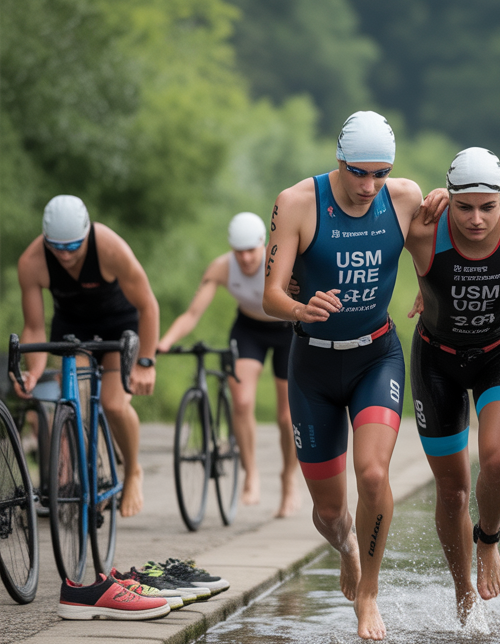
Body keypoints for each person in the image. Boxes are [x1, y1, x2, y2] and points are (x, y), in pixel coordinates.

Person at [262, 111, 422, 640]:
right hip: (313, 367)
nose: (369, 186)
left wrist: (432, 285)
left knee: (374, 475)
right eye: (359, 173)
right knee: (328, 513)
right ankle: (348, 544)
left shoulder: (404, 198)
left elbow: (449, 239)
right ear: (339, 161)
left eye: (380, 174)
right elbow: (270, 295)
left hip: (376, 358)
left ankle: (369, 596)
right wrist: (300, 308)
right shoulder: (298, 203)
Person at [406, 147, 500, 621]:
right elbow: (358, 243)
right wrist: (294, 281)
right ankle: (462, 593)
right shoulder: (423, 230)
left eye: (487, 207)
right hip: (437, 361)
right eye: (464, 207)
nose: (476, 220)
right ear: (448, 200)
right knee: (452, 492)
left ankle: (488, 539)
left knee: (496, 457)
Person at [14, 195, 159, 518]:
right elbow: (34, 327)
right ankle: (89, 476)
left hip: (117, 328)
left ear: (86, 234)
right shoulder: (32, 262)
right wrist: (33, 373)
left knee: (113, 403)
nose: (64, 255)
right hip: (72, 330)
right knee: (72, 398)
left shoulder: (109, 247)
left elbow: (148, 305)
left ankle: (134, 470)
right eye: (56, 247)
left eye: (73, 247)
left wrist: (146, 362)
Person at [157, 212, 301, 517]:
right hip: (249, 329)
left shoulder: (281, 261)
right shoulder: (222, 267)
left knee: (287, 416)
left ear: (264, 243)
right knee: (241, 399)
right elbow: (192, 314)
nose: (246, 258)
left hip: (287, 330)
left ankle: (288, 479)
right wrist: (164, 342)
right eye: (239, 251)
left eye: (252, 250)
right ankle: (251, 472)